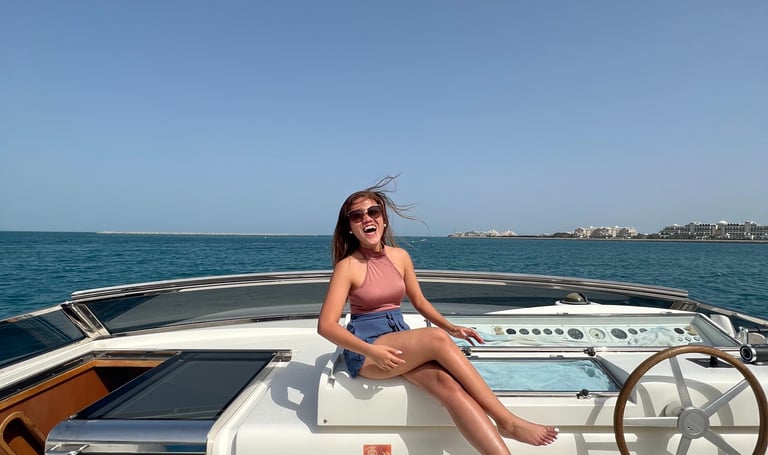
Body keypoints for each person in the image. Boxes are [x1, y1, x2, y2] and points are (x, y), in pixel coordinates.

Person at [317, 177, 558, 455]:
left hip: (397, 339)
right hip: (368, 351)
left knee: (449, 386)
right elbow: (326, 326)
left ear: (383, 219)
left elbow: (418, 301)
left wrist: (451, 326)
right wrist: (374, 351)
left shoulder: (400, 257)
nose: (366, 218)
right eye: (356, 215)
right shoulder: (348, 267)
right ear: (349, 227)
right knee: (434, 338)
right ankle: (506, 421)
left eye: (373, 212)